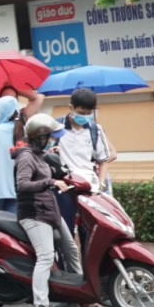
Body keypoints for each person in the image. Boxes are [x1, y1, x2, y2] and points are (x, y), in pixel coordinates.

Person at [15, 113, 84, 307]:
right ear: (40, 137)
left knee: (71, 248)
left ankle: (83, 298)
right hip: (34, 214)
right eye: (50, 137)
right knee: (45, 257)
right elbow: (22, 185)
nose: (53, 140)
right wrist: (50, 182)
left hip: (49, 211)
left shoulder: (39, 155)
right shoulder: (26, 157)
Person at [53, 86, 115, 227]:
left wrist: (101, 184)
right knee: (65, 228)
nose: (85, 116)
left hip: (88, 187)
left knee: (88, 229)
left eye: (89, 113)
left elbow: (103, 160)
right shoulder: (56, 127)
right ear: (71, 107)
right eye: (81, 112)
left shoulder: (95, 129)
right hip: (64, 186)